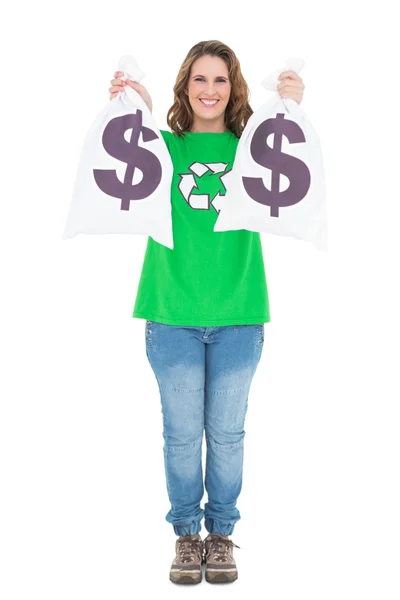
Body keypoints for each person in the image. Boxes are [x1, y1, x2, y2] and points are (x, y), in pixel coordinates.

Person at [108, 40, 304, 585]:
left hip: (239, 312)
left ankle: (221, 534)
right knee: (180, 433)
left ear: (233, 86)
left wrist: (292, 107)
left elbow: (297, 172)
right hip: (171, 312)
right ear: (185, 86)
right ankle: (186, 535)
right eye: (200, 79)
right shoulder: (164, 148)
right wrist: (130, 109)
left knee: (227, 434)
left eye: (221, 80)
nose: (210, 90)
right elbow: (125, 153)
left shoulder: (256, 150)